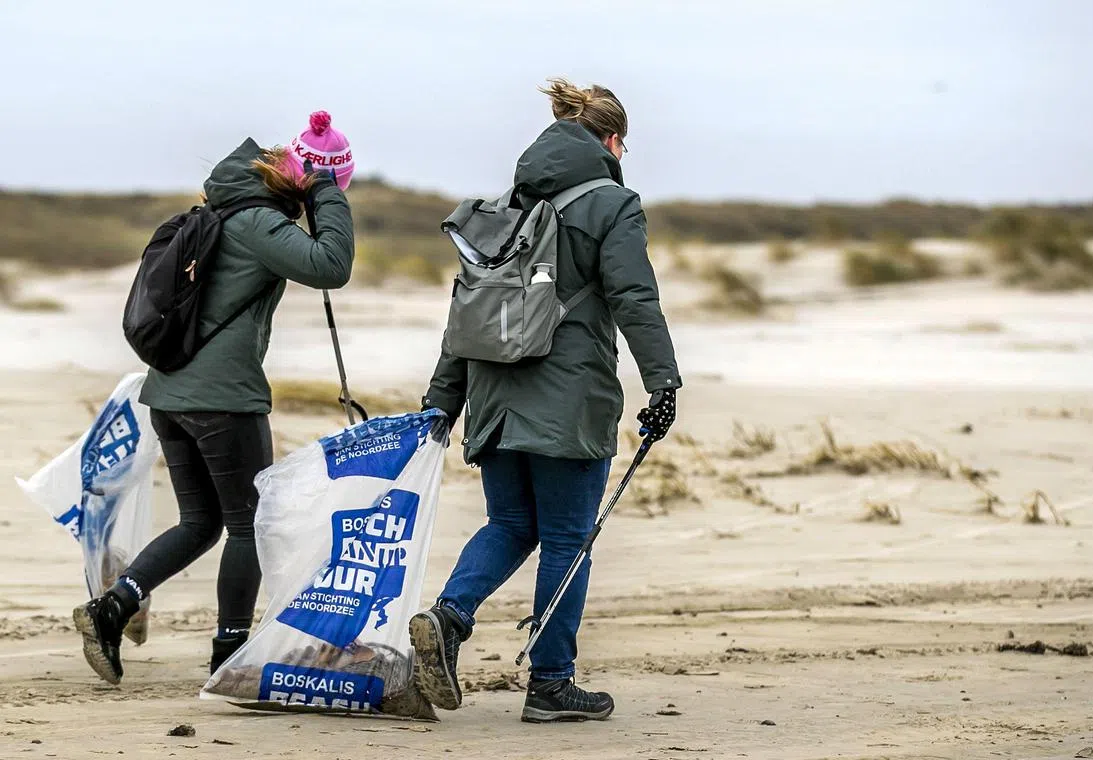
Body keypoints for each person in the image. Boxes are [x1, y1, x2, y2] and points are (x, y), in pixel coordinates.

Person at [411, 78, 681, 723]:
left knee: (510, 524)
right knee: (567, 537)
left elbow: (466, 312)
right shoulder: (613, 205)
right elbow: (633, 298)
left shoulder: (503, 205)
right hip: (570, 396)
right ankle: (551, 685)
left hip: (493, 396)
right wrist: (663, 382)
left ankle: (447, 623)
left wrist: (442, 402)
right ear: (611, 141)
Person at [73, 112, 356, 685]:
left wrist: (314, 188)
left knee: (200, 522)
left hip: (170, 391)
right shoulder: (256, 223)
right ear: (304, 181)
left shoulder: (218, 211)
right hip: (223, 398)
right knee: (250, 525)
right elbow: (332, 266)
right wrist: (327, 193)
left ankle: (112, 608)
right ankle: (230, 653)